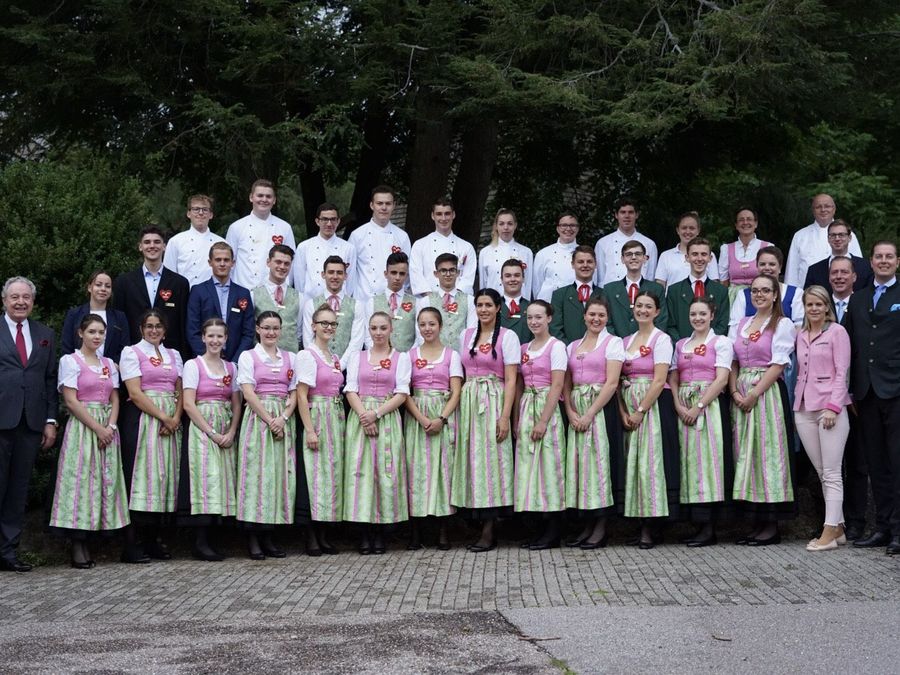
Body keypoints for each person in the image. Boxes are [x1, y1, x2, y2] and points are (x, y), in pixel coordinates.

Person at [50, 314, 129, 568]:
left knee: (104, 481)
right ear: (80, 333)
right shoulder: (71, 361)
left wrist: (111, 426)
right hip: (84, 427)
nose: (96, 337)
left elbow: (115, 397)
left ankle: (94, 537)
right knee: (81, 481)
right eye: (92, 332)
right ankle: (78, 543)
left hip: (107, 426)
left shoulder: (108, 363)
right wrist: (97, 428)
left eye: (100, 332)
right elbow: (71, 400)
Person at [728, 274, 797, 546]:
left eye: (765, 291)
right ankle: (755, 521)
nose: (759, 295)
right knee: (747, 454)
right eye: (755, 291)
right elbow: (731, 361)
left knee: (768, 454)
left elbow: (778, 364)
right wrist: (735, 391)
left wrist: (754, 393)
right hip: (741, 390)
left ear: (775, 294)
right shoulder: (742, 324)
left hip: (766, 393)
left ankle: (771, 525)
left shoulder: (783, 324)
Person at [452, 288, 521, 552]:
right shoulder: (466, 335)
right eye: (479, 305)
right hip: (470, 401)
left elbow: (512, 379)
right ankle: (475, 520)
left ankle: (490, 530)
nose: (483, 310)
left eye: (488, 305)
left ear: (498, 308)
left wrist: (505, 417)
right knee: (474, 461)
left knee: (494, 462)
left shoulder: (508, 336)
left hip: (494, 399)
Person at [843, 241, 900, 555]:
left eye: (889, 256)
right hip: (865, 392)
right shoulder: (858, 299)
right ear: (871, 261)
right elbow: (849, 345)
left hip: (896, 389)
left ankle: (898, 529)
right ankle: (881, 527)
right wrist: (849, 388)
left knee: (897, 461)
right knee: (875, 463)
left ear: (897, 261)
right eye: (878, 256)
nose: (883, 261)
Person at [0, 277, 57, 572]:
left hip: (30, 423)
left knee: (18, 489)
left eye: (26, 297)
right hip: (1, 420)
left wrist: (50, 420)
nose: (20, 302)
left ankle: (8, 552)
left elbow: (49, 380)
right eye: (15, 297)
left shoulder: (44, 333)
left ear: (33, 302)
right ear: (4, 301)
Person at [668, 297, 733, 547]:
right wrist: (677, 403)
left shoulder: (721, 342)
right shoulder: (682, 344)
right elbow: (674, 377)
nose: (697, 318)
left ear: (712, 315)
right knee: (689, 463)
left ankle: (709, 527)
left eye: (702, 314)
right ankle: (695, 523)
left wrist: (698, 406)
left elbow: (721, 379)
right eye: (693, 314)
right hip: (683, 406)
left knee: (708, 463)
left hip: (708, 408)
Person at [343, 312, 411, 554]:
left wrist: (377, 414)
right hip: (360, 419)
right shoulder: (357, 356)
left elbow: (402, 392)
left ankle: (381, 532)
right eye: (374, 328)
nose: (378, 332)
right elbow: (351, 388)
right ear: (368, 331)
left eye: (383, 328)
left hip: (386, 417)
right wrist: (364, 415)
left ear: (391, 329)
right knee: (360, 473)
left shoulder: (400, 358)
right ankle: (364, 533)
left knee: (385, 472)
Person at [120, 309, 184, 561]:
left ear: (165, 330)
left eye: (158, 326)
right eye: (149, 326)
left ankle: (153, 540)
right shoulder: (131, 352)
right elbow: (134, 393)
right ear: (141, 329)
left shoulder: (174, 354)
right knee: (142, 477)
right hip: (144, 419)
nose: (154, 330)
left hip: (170, 420)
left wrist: (176, 417)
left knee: (164, 477)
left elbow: (180, 388)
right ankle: (132, 543)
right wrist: (164, 417)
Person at [618, 291, 679, 549]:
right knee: (633, 463)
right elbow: (617, 378)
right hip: (628, 402)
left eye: (648, 307)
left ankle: (651, 526)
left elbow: (659, 379)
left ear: (657, 311)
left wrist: (640, 410)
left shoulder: (662, 339)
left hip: (651, 407)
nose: (643, 310)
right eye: (639, 306)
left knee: (650, 464)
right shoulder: (625, 341)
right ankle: (637, 519)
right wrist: (623, 411)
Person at [563, 297, 624, 549]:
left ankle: (601, 526)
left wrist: (590, 414)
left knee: (599, 466)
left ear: (607, 318)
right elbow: (566, 381)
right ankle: (586, 523)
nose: (596, 319)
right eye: (592, 315)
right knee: (580, 467)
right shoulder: (573, 345)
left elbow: (611, 382)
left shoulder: (614, 343)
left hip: (600, 408)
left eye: (601, 315)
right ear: (584, 317)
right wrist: (570, 410)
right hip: (576, 405)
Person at [236, 311, 298, 559]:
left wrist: (282, 418)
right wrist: (270, 419)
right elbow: (248, 393)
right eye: (266, 328)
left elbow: (295, 392)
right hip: (258, 419)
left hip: (282, 419)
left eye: (275, 328)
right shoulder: (248, 356)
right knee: (256, 476)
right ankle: (253, 537)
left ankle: (270, 536)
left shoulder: (290, 357)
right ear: (258, 330)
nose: (271, 332)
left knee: (278, 476)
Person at [794, 286, 851, 551]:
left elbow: (842, 372)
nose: (814, 309)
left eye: (819, 304)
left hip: (829, 408)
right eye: (809, 305)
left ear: (827, 307)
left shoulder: (837, 332)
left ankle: (828, 533)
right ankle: (838, 527)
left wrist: (833, 406)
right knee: (821, 472)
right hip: (804, 407)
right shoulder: (801, 334)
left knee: (831, 472)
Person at [180, 318, 241, 561]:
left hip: (225, 424)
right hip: (202, 427)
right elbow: (188, 403)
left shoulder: (231, 368)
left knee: (223, 480)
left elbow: (236, 403)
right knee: (206, 479)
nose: (215, 341)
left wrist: (232, 431)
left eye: (220, 336)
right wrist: (212, 433)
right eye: (211, 336)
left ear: (226, 339)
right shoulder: (193, 365)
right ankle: (200, 542)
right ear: (203, 338)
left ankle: (215, 540)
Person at [404, 307, 463, 550]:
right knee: (416, 470)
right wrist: (420, 418)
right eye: (423, 324)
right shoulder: (410, 354)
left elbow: (456, 390)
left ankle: (443, 531)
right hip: (417, 415)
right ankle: (416, 531)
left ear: (441, 326)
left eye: (432, 324)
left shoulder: (452, 355)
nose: (427, 329)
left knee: (443, 471)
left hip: (442, 413)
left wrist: (441, 418)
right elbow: (404, 391)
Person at [515, 301, 567, 549]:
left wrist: (543, 421)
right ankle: (535, 528)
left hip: (546, 407)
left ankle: (553, 530)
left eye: (539, 317)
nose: (534, 322)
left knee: (549, 468)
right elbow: (519, 385)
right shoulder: (524, 348)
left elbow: (557, 385)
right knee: (529, 470)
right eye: (530, 318)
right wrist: (518, 418)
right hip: (527, 407)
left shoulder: (556, 347)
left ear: (549, 318)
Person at [295, 305, 346, 556]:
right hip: (317, 416)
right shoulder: (308, 355)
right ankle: (311, 535)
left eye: (333, 324)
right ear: (313, 325)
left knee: (331, 475)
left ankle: (324, 533)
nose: (328, 327)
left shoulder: (334, 358)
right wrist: (310, 430)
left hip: (335, 419)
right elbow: (302, 396)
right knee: (315, 476)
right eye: (323, 323)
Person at [829, 256, 868, 540]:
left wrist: (853, 391)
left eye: (845, 272)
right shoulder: (819, 304)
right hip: (825, 398)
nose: (840, 277)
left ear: (854, 276)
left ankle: (855, 522)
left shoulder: (864, 303)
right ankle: (832, 520)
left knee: (856, 462)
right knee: (827, 465)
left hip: (856, 397)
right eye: (835, 273)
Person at [113, 226, 191, 360]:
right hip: (134, 353)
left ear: (164, 246)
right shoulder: (124, 282)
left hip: (169, 354)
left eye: (157, 242)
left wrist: (184, 357)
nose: (152, 246)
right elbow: (119, 323)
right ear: (140, 247)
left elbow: (183, 324)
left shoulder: (180, 283)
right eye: (147, 242)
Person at [186, 242, 255, 362]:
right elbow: (192, 330)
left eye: (226, 260)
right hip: (204, 359)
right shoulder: (198, 291)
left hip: (235, 359)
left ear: (232, 263)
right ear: (210, 262)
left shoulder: (243, 293)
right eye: (218, 260)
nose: (222, 264)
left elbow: (248, 333)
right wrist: (207, 358)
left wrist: (236, 361)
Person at [226, 179, 296, 291]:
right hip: (243, 291)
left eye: (268, 196)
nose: (264, 199)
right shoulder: (236, 227)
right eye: (260, 195)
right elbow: (229, 262)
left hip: (274, 292)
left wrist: (284, 290)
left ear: (274, 200)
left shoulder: (284, 227)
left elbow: (292, 263)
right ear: (251, 197)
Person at [785, 193, 862, 288]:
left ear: (834, 209)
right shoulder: (800, 236)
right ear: (813, 210)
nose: (823, 210)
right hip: (807, 295)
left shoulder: (848, 235)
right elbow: (791, 272)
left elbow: (858, 267)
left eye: (827, 206)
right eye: (818, 207)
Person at [301, 256, 365, 367]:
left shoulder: (357, 305)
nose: (335, 276)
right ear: (323, 274)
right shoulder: (310, 304)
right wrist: (323, 363)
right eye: (331, 272)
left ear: (345, 276)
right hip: (317, 366)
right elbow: (308, 339)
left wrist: (341, 365)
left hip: (347, 367)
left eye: (339, 273)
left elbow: (356, 341)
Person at [349, 185, 411, 300]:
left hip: (394, 300)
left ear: (394, 206)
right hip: (365, 300)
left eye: (388, 204)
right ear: (372, 205)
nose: (384, 207)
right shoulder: (357, 235)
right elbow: (350, 272)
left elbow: (407, 272)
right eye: (379, 203)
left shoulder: (402, 236)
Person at [665, 237, 729, 342]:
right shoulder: (674, 291)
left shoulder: (721, 291)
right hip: (682, 351)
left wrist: (707, 344)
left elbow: (723, 324)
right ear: (687, 257)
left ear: (710, 258)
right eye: (694, 254)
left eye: (704, 254)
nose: (699, 259)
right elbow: (670, 325)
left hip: (711, 350)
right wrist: (683, 345)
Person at [409, 198, 477, 296]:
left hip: (458, 303)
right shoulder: (420, 245)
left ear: (453, 215)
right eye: (439, 214)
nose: (444, 218)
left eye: (447, 213)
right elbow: (416, 276)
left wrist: (452, 299)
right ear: (433, 216)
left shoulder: (466, 247)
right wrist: (433, 300)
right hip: (427, 303)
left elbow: (467, 279)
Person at [291, 202, 356, 300]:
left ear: (338, 221)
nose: (329, 224)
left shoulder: (349, 248)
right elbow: (299, 282)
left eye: (333, 219)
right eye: (325, 219)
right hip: (311, 303)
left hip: (340, 303)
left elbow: (350, 281)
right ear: (317, 221)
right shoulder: (304, 247)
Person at [61, 270, 130, 363]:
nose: (103, 289)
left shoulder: (119, 317)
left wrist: (114, 366)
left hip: (111, 373)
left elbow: (125, 348)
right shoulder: (74, 314)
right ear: (90, 287)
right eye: (98, 285)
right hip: (79, 372)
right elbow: (67, 347)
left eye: (108, 286)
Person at [603, 240, 668, 338]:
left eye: (638, 254)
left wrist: (648, 342)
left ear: (645, 258)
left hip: (647, 347)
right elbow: (606, 322)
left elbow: (661, 321)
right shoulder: (609, 289)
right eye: (629, 254)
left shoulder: (656, 289)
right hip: (617, 347)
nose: (633, 257)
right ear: (622, 259)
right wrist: (617, 344)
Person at [728, 246, 804, 328]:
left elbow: (799, 325)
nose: (767, 268)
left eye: (772, 264)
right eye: (762, 264)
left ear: (780, 267)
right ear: (757, 267)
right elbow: (735, 327)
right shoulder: (743, 294)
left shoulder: (796, 293)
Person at [163, 194, 226, 287]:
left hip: (213, 298)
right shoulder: (176, 241)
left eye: (205, 209)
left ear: (211, 215)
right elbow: (168, 276)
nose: (200, 213)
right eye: (196, 209)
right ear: (188, 213)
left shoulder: (222, 243)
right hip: (184, 297)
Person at [415, 253, 476, 348]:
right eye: (443, 270)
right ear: (436, 274)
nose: (448, 274)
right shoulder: (425, 302)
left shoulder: (470, 300)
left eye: (452, 270)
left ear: (458, 273)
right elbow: (420, 333)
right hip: (433, 357)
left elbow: (472, 331)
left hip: (461, 356)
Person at [594, 197, 658, 286]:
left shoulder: (649, 244)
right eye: (623, 212)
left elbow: (650, 276)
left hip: (640, 295)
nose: (627, 216)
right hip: (610, 295)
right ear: (616, 215)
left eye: (631, 212)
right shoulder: (603, 243)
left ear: (637, 215)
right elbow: (600, 277)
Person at [362, 252, 417, 352]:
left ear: (406, 276)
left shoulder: (416, 303)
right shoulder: (372, 302)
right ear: (385, 274)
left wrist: (407, 357)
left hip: (407, 360)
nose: (397, 277)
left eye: (402, 274)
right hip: (378, 361)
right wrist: (379, 355)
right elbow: (367, 337)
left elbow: (419, 336)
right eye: (393, 272)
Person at [550, 245, 605, 344]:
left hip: (599, 352)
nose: (585, 265)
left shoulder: (605, 294)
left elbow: (608, 326)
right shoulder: (559, 295)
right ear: (572, 264)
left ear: (595, 265)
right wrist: (568, 349)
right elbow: (555, 328)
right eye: (580, 262)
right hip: (568, 352)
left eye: (589, 261)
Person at [252, 244, 301, 352]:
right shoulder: (253, 294)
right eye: (278, 262)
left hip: (291, 358)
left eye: (287, 264)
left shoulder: (300, 297)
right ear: (268, 262)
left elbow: (299, 331)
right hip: (261, 357)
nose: (282, 267)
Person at [477, 209, 534, 299]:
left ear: (515, 225)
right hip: (493, 304)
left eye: (510, 223)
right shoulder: (485, 252)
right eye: (501, 224)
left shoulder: (526, 252)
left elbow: (528, 284)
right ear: (496, 226)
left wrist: (525, 307)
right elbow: (483, 284)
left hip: (518, 304)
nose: (506, 227)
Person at [654, 211, 720, 289]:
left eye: (692, 228)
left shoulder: (707, 255)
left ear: (698, 231)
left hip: (702, 300)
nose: (688, 232)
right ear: (678, 230)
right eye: (684, 228)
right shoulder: (666, 256)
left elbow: (714, 285)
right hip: (673, 300)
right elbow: (660, 286)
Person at [803, 219, 872, 292]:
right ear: (828, 239)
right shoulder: (814, 271)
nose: (837, 239)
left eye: (841, 235)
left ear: (849, 238)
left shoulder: (866, 267)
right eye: (833, 235)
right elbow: (808, 299)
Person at [718, 207, 770, 303]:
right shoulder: (726, 249)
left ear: (756, 224)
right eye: (741, 220)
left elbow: (772, 278)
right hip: (734, 299)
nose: (745, 222)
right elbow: (723, 282)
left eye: (749, 219)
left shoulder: (767, 247)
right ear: (736, 225)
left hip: (761, 298)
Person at [532, 213, 580, 302]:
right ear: (557, 228)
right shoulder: (543, 254)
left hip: (574, 302)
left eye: (572, 225)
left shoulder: (583, 253)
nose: (568, 229)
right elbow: (536, 286)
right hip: (548, 303)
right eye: (564, 225)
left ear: (577, 228)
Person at [499, 259, 532, 344]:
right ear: (501, 279)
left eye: (517, 275)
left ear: (523, 278)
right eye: (508, 276)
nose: (512, 279)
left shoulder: (532, 308)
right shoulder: (492, 307)